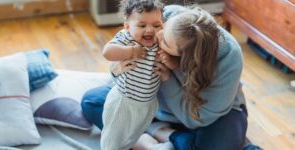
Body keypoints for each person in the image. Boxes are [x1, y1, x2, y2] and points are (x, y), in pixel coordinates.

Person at [82, 5, 252, 150]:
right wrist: (117, 70)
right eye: (163, 27)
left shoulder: (229, 58)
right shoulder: (163, 17)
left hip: (206, 116)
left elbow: (200, 117)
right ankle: (160, 137)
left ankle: (162, 135)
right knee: (92, 101)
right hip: (153, 104)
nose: (157, 35)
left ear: (185, 59)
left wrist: (168, 78)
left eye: (165, 42)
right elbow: (124, 46)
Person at [99, 0, 164, 149]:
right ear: (127, 27)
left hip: (148, 104)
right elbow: (107, 52)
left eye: (156, 25)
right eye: (142, 25)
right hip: (124, 102)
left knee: (132, 136)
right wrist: (131, 51)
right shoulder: (127, 38)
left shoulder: (160, 40)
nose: (150, 30)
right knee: (112, 139)